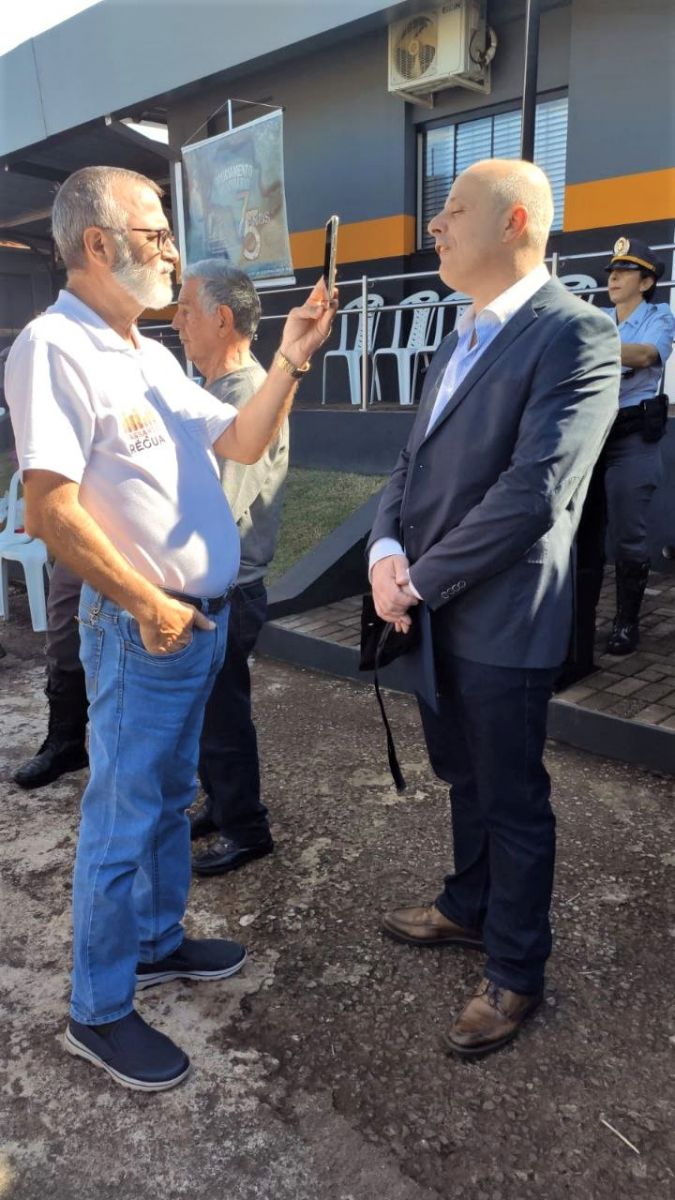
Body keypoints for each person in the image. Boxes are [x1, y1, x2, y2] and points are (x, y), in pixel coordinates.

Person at [5, 165, 334, 1091]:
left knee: (165, 797)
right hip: (142, 627)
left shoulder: (144, 351)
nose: (171, 250)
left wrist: (294, 357)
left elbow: (238, 438)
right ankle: (97, 1009)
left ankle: (155, 944)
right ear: (98, 244)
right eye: (154, 233)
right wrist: (151, 604)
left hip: (194, 622)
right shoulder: (53, 347)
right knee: (122, 816)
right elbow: (50, 512)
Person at [368, 159, 620, 1060]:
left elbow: (534, 492)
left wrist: (418, 578)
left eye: (452, 211)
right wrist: (385, 551)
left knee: (510, 797)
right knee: (462, 777)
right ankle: (466, 908)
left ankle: (515, 968)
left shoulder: (575, 334)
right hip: (429, 600)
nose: (433, 226)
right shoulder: (460, 331)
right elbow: (410, 461)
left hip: (502, 618)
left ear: (513, 221)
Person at [171, 260, 287, 874]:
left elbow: (221, 506)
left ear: (221, 318)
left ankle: (247, 828)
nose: (176, 320)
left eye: (187, 309)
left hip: (227, 587)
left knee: (221, 713)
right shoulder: (221, 390)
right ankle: (222, 803)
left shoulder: (243, 393)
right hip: (214, 584)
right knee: (209, 710)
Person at [569, 237, 674, 669]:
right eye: (611, 270)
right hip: (593, 435)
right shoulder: (597, 318)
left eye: (625, 271)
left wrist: (588, 349)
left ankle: (626, 620)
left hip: (633, 436)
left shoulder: (659, 315)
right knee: (584, 534)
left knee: (629, 534)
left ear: (647, 281)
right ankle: (580, 619)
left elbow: (647, 355)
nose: (612, 277)